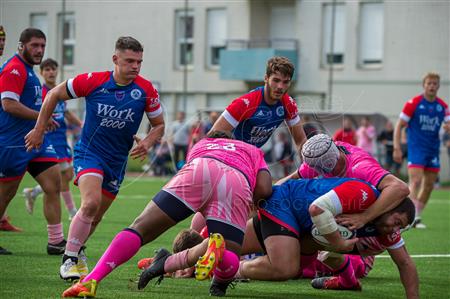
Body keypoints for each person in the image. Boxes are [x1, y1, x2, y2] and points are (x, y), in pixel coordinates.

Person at [61, 131, 272, 298]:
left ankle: (91, 280)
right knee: (231, 259)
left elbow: (197, 176)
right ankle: (217, 250)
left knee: (139, 228)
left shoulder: (202, 144)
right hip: (236, 180)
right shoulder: (251, 149)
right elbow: (264, 189)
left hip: (201, 167)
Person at [24, 36, 165, 280]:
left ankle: (76, 251)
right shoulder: (93, 81)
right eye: (130, 61)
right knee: (89, 204)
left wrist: (149, 142)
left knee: (96, 215)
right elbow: (53, 95)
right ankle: (69, 259)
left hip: (117, 162)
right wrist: (38, 128)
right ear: (115, 59)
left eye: (139, 62)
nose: (135, 66)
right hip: (90, 154)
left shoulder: (146, 90)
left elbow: (159, 125)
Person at [236, 178, 418, 298]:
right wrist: (338, 243)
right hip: (287, 203)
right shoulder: (364, 195)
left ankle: (224, 268)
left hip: (300, 220)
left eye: (400, 227)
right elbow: (317, 209)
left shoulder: (384, 229)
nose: (393, 228)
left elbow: (405, 264)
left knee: (227, 244)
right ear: (388, 206)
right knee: (285, 268)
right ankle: (234, 270)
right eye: (396, 221)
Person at [0, 28, 65, 255]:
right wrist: (41, 118)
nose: (39, 50)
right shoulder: (14, 69)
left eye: (42, 46)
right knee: (5, 194)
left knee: (53, 184)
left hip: (35, 141)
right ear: (21, 46)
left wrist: (41, 123)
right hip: (13, 142)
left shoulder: (28, 71)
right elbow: (9, 104)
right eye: (34, 45)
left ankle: (56, 242)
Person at [277, 134, 409, 230]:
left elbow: (400, 188)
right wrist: (265, 195)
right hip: (355, 211)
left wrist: (364, 217)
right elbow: (290, 179)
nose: (316, 171)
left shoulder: (361, 168)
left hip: (378, 216)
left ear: (329, 162)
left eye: (319, 168)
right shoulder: (319, 156)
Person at [22, 58, 82, 219]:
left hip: (62, 138)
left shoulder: (59, 91)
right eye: (47, 69)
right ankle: (72, 212)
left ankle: (33, 192)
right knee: (64, 175)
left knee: (66, 176)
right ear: (41, 73)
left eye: (53, 69)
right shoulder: (41, 93)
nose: (51, 72)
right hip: (50, 139)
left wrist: (81, 124)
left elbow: (66, 113)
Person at [210, 56, 306, 153]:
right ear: (266, 78)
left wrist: (308, 166)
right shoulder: (245, 103)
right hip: (230, 155)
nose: (280, 86)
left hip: (252, 155)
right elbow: (210, 138)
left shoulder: (288, 104)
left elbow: (301, 142)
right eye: (276, 80)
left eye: (285, 82)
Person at [393, 72, 450, 229]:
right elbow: (399, 125)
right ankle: (407, 217)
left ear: (438, 86)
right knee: (416, 181)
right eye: (429, 83)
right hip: (416, 148)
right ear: (424, 85)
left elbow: (449, 123)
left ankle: (416, 216)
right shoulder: (414, 103)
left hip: (433, 150)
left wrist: (448, 127)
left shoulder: (443, 106)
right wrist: (397, 148)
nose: (432, 86)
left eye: (435, 83)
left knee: (429, 185)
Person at [0, 25, 23, 235]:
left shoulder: (10, 66)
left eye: (3, 39)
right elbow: (8, 104)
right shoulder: (12, 68)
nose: (1, 43)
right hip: (7, 136)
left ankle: (3, 218)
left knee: (9, 187)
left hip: (10, 137)